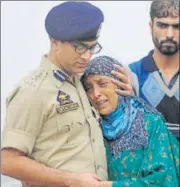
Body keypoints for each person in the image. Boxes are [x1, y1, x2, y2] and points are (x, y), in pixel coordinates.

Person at [1, 2, 133, 187]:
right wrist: (71, 180)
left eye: (92, 47)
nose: (87, 56)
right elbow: (8, 162)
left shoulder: (80, 83)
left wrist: (127, 99)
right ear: (55, 42)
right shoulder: (33, 91)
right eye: (79, 47)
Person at [81, 55, 179, 187]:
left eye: (102, 84)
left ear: (119, 82)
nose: (95, 93)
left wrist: (106, 186)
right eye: (88, 88)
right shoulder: (92, 128)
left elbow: (163, 180)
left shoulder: (148, 122)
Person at [129, 0, 180, 141]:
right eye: (162, 25)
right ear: (151, 26)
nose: (170, 34)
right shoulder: (132, 74)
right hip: (147, 161)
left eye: (177, 26)